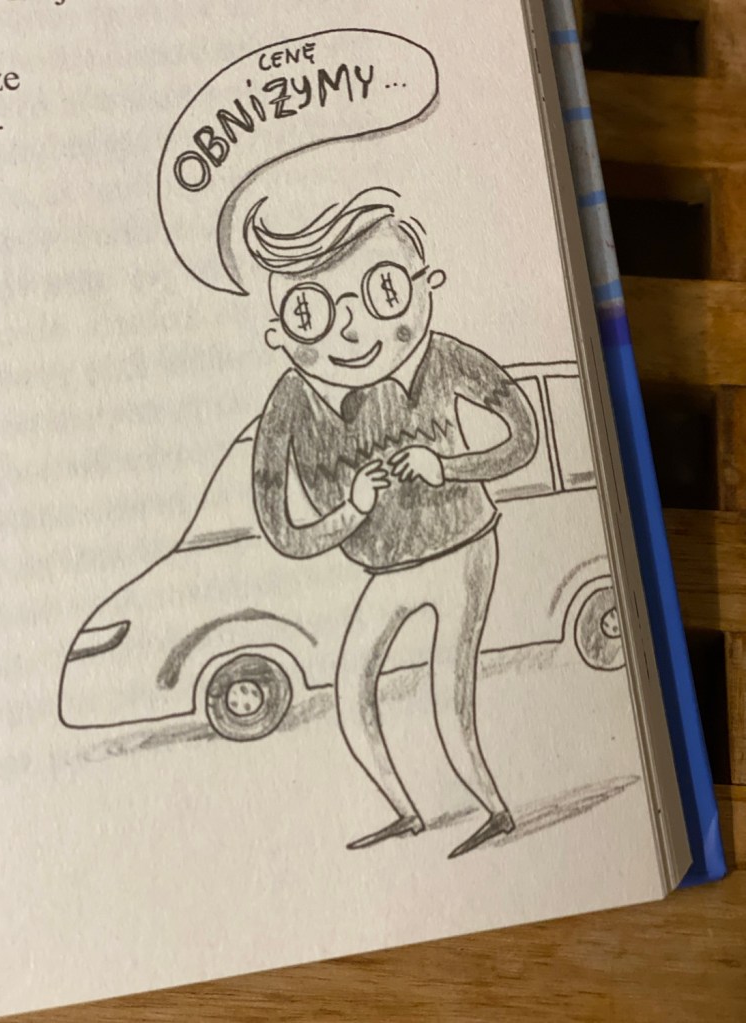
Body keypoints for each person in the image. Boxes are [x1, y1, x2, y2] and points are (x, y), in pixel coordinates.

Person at [246, 186, 538, 858]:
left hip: (463, 544)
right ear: (279, 333)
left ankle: (493, 809)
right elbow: (282, 531)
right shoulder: (289, 402)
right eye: (311, 313)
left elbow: (523, 437)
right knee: (352, 684)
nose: (351, 331)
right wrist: (351, 509)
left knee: (448, 687)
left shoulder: (445, 357)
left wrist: (448, 466)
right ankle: (406, 812)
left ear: (425, 285)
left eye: (383, 292)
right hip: (384, 564)